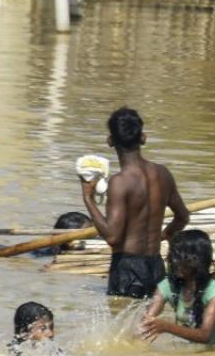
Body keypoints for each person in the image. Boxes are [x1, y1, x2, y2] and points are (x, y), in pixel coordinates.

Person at [80, 107, 189, 299]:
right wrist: (164, 236)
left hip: (127, 269)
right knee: (151, 325)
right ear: (143, 137)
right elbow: (182, 217)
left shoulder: (120, 182)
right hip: (156, 267)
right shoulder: (163, 174)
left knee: (123, 326)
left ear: (110, 140)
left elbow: (113, 237)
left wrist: (88, 199)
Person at [138, 230, 215, 347]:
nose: (174, 262)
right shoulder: (167, 286)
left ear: (197, 261)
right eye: (173, 257)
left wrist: (166, 327)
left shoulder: (214, 290)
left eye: (179, 258)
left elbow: (205, 335)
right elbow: (146, 324)